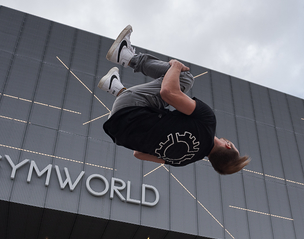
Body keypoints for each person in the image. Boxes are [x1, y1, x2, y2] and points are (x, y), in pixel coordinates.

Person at [99, 25, 250, 175]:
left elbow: (168, 93)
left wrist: (176, 67)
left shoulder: (207, 122)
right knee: (157, 117)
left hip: (131, 106)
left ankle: (126, 56)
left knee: (185, 79)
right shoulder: (183, 160)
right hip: (116, 127)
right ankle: (115, 87)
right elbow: (138, 154)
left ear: (228, 145)